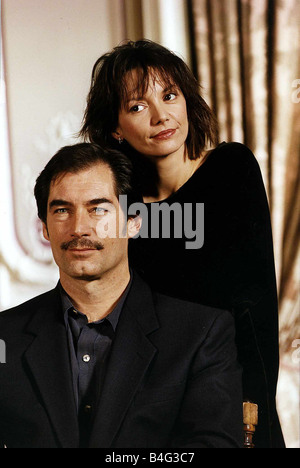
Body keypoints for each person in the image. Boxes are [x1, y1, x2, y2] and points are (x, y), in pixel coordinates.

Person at [79, 39, 285, 448]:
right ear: (116, 128)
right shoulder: (120, 208)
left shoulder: (232, 169)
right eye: (138, 107)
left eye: (169, 95)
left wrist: (253, 403)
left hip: (230, 392)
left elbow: (255, 300)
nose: (161, 116)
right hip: (152, 405)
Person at [0, 143, 243, 448]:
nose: (79, 228)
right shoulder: (5, 337)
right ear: (45, 228)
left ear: (133, 222)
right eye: (62, 210)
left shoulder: (200, 334)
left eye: (98, 208)